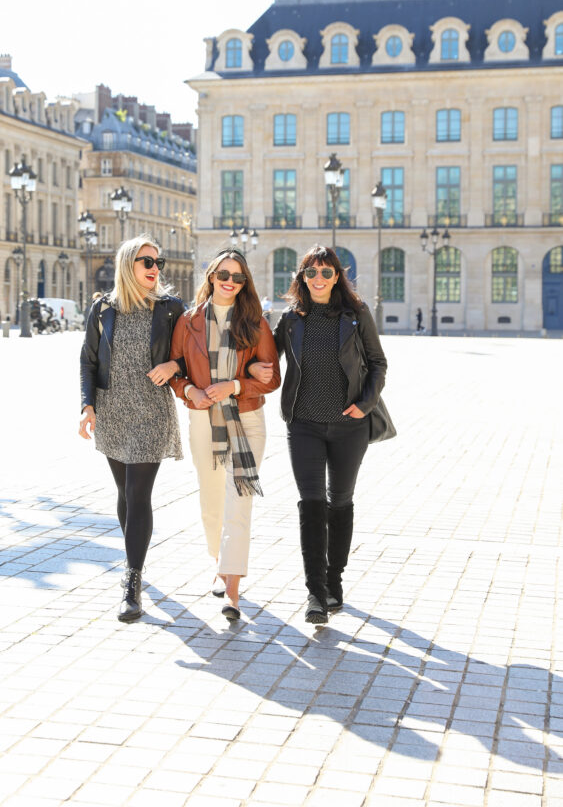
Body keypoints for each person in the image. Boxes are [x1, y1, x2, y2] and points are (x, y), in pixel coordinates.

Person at [250, 245, 387, 625]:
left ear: (337, 277)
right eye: (312, 273)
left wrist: (365, 402)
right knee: (310, 503)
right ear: (302, 278)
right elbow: (266, 355)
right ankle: (314, 592)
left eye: (327, 273)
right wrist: (250, 369)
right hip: (304, 424)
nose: (319, 279)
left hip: (349, 426)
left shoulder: (356, 314)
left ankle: (334, 581)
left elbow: (378, 363)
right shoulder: (292, 319)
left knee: (339, 502)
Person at [79, 235, 184, 622]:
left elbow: (193, 353)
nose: (155, 269)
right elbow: (88, 361)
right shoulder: (103, 309)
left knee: (139, 494)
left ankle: (132, 581)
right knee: (124, 492)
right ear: (128, 265)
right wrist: (86, 405)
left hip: (152, 412)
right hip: (112, 412)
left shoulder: (171, 308)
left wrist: (175, 366)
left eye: (159, 262)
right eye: (147, 262)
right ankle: (133, 559)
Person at [170, 249, 280, 620]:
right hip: (203, 419)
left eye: (237, 277)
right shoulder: (188, 322)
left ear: (244, 283)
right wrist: (190, 392)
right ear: (211, 277)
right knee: (211, 498)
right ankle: (219, 561)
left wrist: (235, 385)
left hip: (247, 419)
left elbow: (272, 378)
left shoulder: (256, 323)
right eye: (223, 275)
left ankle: (232, 590)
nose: (229, 282)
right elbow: (177, 372)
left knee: (239, 498)